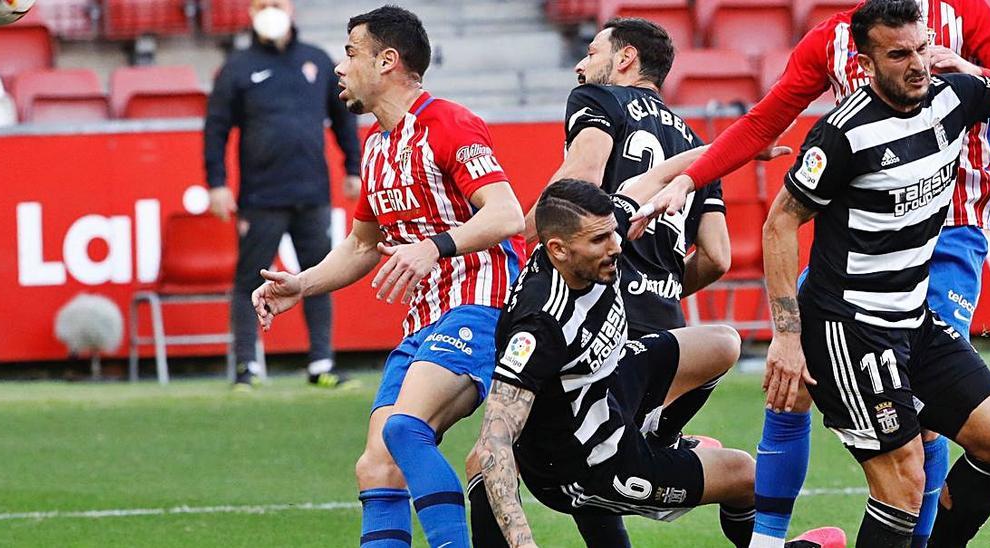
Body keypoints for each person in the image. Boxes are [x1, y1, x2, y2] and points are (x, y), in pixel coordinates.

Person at [635, 1, 990, 545]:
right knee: (901, 478)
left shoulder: (956, 93)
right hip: (851, 329)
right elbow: (779, 224)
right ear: (864, 64)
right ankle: (768, 538)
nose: (918, 66)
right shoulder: (842, 135)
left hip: (913, 317)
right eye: (899, 56)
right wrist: (787, 336)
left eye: (922, 49)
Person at [250, 6, 526, 547]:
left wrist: (433, 246)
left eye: (351, 53)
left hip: (480, 304)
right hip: (423, 321)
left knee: (404, 430)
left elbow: (506, 214)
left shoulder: (447, 122)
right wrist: (301, 284)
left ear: (388, 61)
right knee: (376, 467)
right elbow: (361, 244)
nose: (339, 66)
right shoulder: (376, 147)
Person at [470, 18, 736, 547]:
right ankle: (664, 438)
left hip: (591, 308)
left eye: (591, 51)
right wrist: (660, 288)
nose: (580, 64)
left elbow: (579, 179)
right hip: (663, 323)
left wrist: (530, 237)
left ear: (625, 59)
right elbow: (719, 256)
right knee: (604, 444)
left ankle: (653, 450)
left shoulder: (599, 99)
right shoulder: (694, 141)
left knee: (507, 454)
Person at [473, 178, 758, 548]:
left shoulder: (591, 237)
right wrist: (522, 542)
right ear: (558, 250)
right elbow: (493, 442)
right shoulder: (540, 326)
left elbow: (653, 179)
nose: (616, 246)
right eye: (600, 241)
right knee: (746, 476)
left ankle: (661, 440)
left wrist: (723, 154)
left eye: (612, 233)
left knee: (722, 343)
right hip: (587, 466)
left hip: (607, 390)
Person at [203, 0, 362, 389]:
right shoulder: (237, 66)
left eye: (276, 2)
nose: (270, 10)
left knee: (319, 276)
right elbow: (216, 129)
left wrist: (353, 168)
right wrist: (217, 183)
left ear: (290, 9)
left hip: (312, 193)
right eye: (262, 4)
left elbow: (344, 117)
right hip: (261, 197)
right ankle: (246, 367)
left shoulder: (317, 61)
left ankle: (321, 363)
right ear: (250, 13)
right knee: (248, 280)